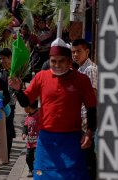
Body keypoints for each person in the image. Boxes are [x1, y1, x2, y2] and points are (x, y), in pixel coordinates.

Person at [8, 38, 97, 179]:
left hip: (72, 139)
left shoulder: (82, 80)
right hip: (46, 139)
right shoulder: (41, 77)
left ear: (69, 62)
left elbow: (92, 107)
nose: (57, 65)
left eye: (61, 61)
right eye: (53, 61)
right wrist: (18, 89)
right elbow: (27, 102)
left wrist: (90, 132)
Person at [72, 38, 98, 180]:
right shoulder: (80, 69)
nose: (75, 55)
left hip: (87, 120)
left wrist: (88, 125)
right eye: (73, 52)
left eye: (78, 52)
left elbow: (92, 99)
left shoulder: (90, 69)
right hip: (81, 119)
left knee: (88, 160)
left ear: (87, 51)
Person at [0, 48, 17, 160]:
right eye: (0, 59)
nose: (2, 61)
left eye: (4, 58)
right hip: (0, 104)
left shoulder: (14, 71)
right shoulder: (3, 72)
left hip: (9, 105)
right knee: (3, 129)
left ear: (10, 58)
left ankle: (6, 155)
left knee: (7, 129)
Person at [22, 100, 39, 177]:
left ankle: (37, 171)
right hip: (30, 143)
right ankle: (31, 169)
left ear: (28, 107)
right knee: (28, 158)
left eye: (25, 106)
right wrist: (24, 133)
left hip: (38, 142)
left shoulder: (39, 115)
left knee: (36, 157)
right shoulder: (28, 116)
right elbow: (25, 126)